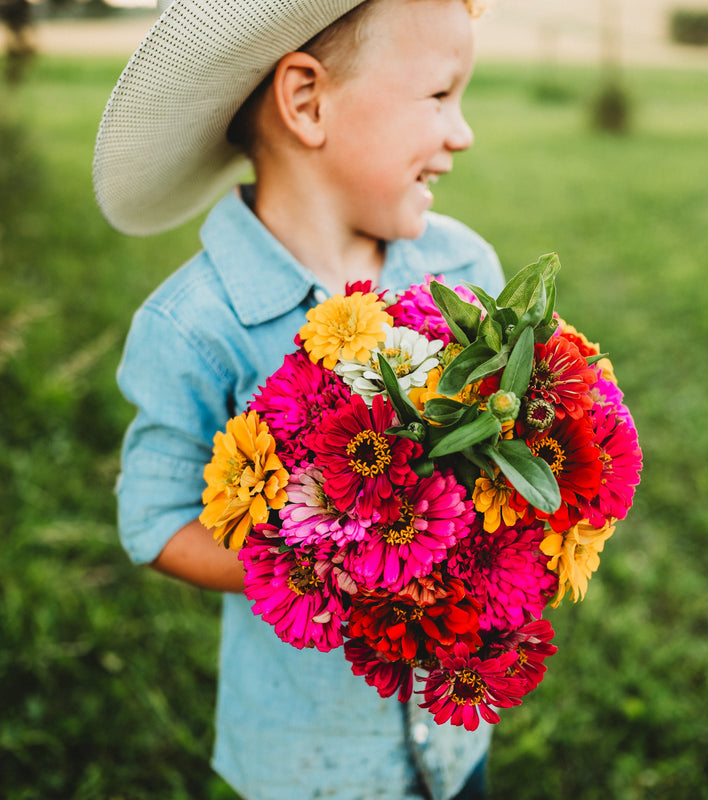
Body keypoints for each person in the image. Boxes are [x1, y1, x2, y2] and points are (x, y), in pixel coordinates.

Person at [94, 0, 505, 797]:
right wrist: (324, 566)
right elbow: (156, 519)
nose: (462, 133)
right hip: (307, 764)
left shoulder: (464, 275)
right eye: (439, 96)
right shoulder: (197, 326)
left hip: (455, 738)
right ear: (307, 101)